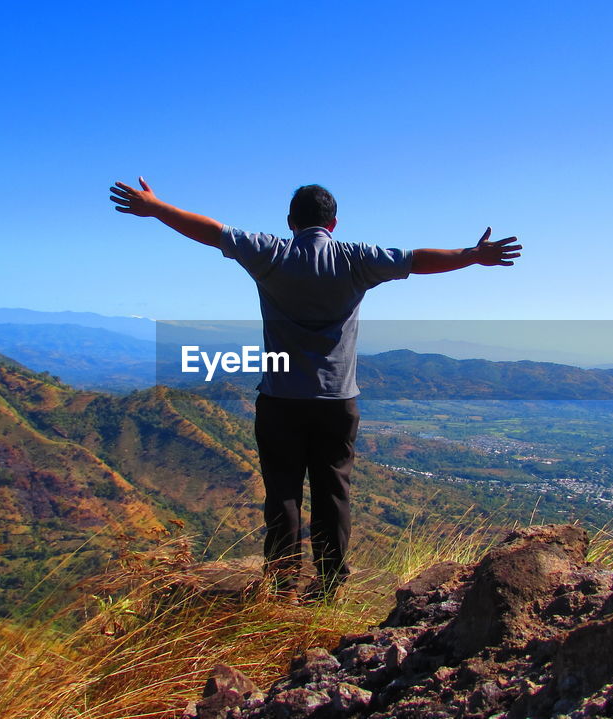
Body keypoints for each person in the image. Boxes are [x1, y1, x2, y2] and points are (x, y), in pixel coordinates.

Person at [109, 178, 521, 601]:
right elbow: (417, 260)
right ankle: (327, 588)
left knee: (283, 493)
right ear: (334, 223)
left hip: (280, 401)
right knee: (332, 494)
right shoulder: (356, 258)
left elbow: (212, 231)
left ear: (291, 222)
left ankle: (283, 585)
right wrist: (472, 256)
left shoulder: (271, 252)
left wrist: (157, 207)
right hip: (338, 402)